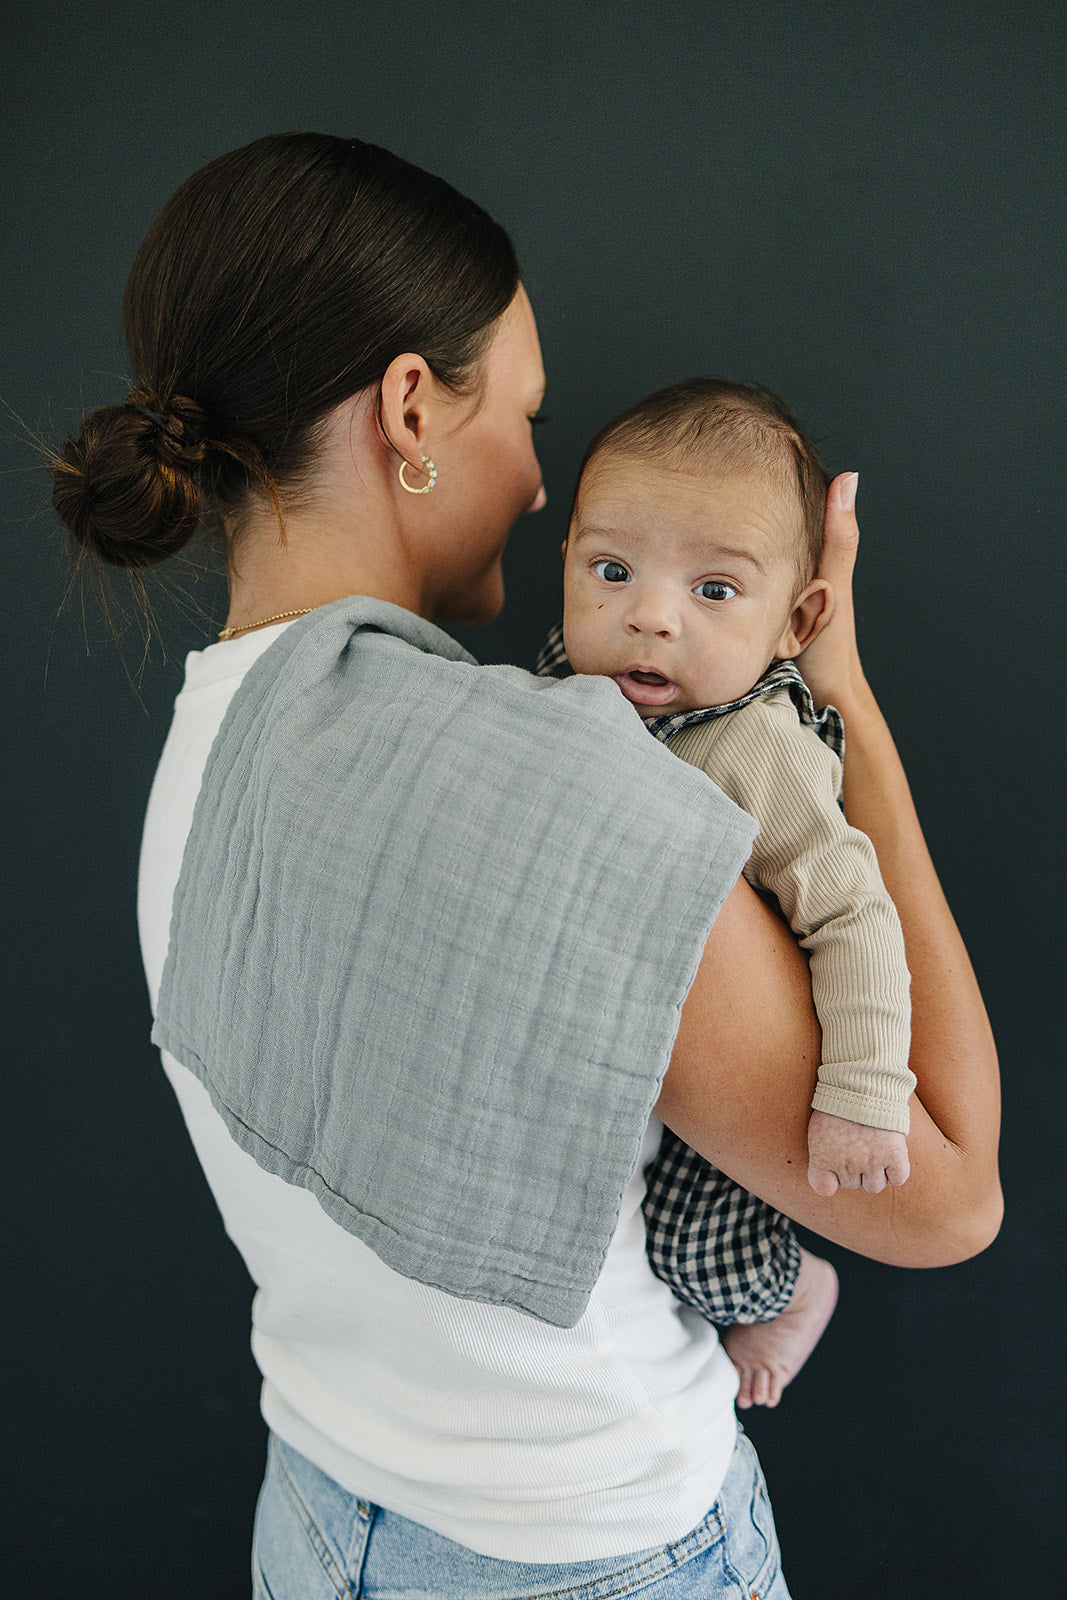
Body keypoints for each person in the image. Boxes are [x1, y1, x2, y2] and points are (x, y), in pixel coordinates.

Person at [51, 132, 1001, 1599]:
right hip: (587, 1547)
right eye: (529, 416)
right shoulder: (571, 790)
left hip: (315, 1511)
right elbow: (944, 1198)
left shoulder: (205, 742)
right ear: (411, 410)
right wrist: (844, 703)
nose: (544, 484)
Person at [537, 377, 914, 1408]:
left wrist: (861, 1096)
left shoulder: (754, 745)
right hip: (625, 1044)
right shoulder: (566, 692)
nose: (647, 617)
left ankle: (793, 1289)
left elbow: (853, 913)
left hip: (761, 1053)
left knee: (697, 1251)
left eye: (712, 590)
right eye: (610, 571)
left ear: (795, 620)